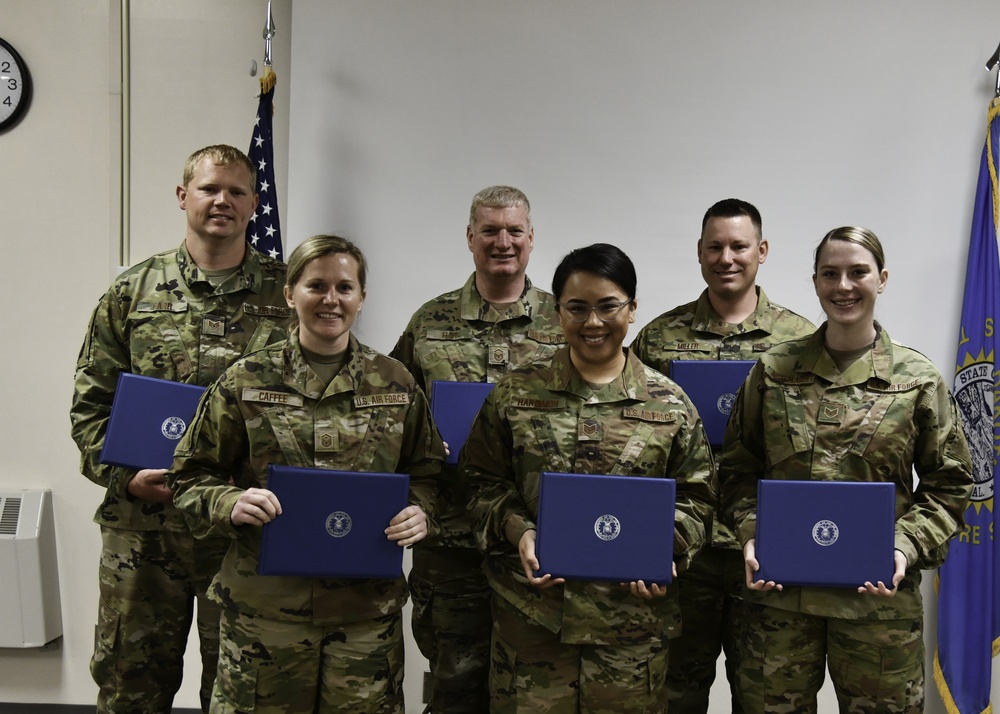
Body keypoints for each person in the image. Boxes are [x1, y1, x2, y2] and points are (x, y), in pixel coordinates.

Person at [167, 234, 445, 713]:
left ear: (361, 297)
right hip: (265, 613)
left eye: (345, 286)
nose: (331, 299)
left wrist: (420, 511)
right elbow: (189, 476)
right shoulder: (244, 380)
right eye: (316, 285)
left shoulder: (396, 383)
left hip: (363, 618)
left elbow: (428, 473)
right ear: (290, 293)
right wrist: (229, 502)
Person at [70, 144, 292, 713]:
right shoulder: (132, 291)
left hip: (242, 528)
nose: (223, 200)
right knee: (130, 685)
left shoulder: (287, 293)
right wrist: (123, 478)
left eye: (237, 191)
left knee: (242, 691)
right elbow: (91, 407)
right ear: (182, 196)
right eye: (209, 188)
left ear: (254, 202)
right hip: (145, 529)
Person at [719, 226, 973, 713]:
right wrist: (753, 534)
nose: (844, 286)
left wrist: (904, 546)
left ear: (881, 279)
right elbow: (735, 471)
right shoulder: (773, 371)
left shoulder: (916, 380)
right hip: (778, 601)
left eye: (858, 273)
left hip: (878, 601)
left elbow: (950, 486)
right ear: (814, 281)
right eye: (830, 274)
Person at [462, 242, 716, 712]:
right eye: (577, 308)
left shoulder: (671, 403)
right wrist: (521, 531)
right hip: (534, 624)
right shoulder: (515, 393)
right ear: (558, 312)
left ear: (633, 309)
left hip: (631, 630)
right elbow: (479, 483)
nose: (593, 322)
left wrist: (665, 549)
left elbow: (699, 499)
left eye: (608, 306)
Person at [630, 197, 814, 713]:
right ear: (699, 252)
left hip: (766, 548)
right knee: (673, 692)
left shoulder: (799, 340)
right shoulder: (658, 339)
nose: (726, 257)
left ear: (762, 250)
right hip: (681, 545)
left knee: (767, 696)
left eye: (738, 246)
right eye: (715, 246)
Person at [389, 185, 564, 712]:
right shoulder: (430, 323)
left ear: (532, 239)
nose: (502, 242)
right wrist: (424, 439)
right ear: (470, 238)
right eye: (490, 231)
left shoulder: (568, 321)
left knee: (535, 690)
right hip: (450, 540)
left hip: (537, 540)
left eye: (514, 231)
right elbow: (392, 413)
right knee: (454, 683)